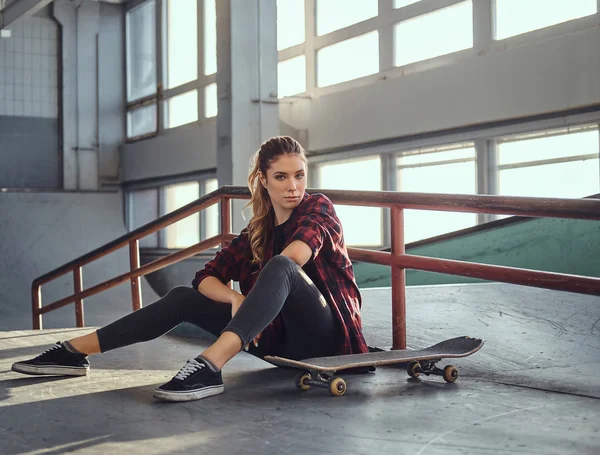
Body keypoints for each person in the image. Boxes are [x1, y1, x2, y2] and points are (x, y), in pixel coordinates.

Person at [12, 136, 369, 402]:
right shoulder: (256, 230)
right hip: (277, 342)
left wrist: (251, 297)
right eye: (281, 177)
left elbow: (294, 259)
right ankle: (74, 352)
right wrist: (234, 298)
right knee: (183, 296)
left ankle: (210, 367)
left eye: (299, 176)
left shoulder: (318, 208)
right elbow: (204, 279)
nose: (293, 186)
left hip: (325, 340)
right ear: (263, 179)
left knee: (281, 266)